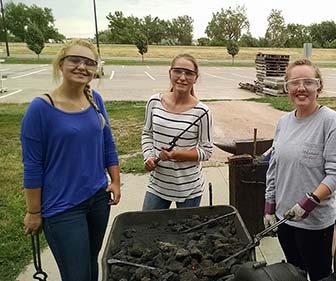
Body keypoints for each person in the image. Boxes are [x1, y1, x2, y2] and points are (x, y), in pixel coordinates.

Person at [21, 39, 121, 281]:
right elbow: (32, 165)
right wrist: (33, 212)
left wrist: (115, 181)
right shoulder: (41, 108)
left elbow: (107, 143)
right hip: (63, 207)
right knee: (76, 274)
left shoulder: (95, 98)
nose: (82, 67)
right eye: (75, 60)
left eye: (89, 63)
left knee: (91, 263)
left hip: (98, 199)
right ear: (61, 64)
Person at [264, 59, 336, 281]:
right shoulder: (284, 122)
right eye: (294, 83)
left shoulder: (331, 122)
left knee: (319, 275)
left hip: (314, 225)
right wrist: (269, 205)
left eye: (308, 82)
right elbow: (274, 166)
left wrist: (310, 201)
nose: (301, 88)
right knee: (293, 274)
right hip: (284, 220)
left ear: (318, 87)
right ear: (287, 88)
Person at [142, 53, 213, 210]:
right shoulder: (154, 102)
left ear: (195, 78)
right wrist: (148, 157)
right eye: (178, 71)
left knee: (185, 234)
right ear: (170, 73)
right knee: (149, 231)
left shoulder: (202, 112)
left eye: (189, 73)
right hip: (158, 186)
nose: (182, 77)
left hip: (189, 190)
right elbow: (147, 134)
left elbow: (206, 151)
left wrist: (175, 155)